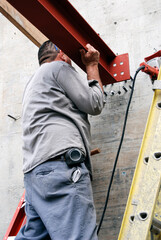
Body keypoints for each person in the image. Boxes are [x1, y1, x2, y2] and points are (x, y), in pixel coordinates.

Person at [16, 41, 105, 240]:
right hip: (61, 168)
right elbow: (94, 103)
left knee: (35, 236)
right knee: (78, 235)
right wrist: (91, 66)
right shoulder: (59, 67)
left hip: (35, 176)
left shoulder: (33, 83)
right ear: (62, 54)